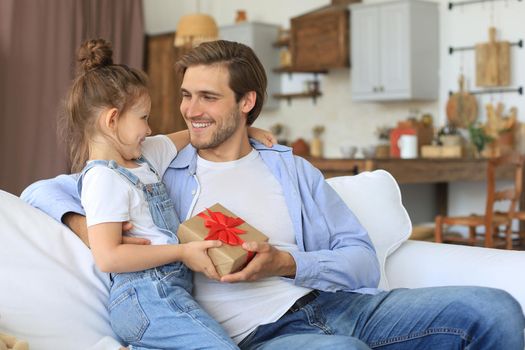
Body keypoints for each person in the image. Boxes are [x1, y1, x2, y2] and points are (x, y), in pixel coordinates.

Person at [23, 40, 524, 349]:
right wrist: (94, 231)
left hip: (334, 305)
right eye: (184, 96)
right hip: (260, 335)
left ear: (247, 103)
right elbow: (45, 190)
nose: (190, 111)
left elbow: (361, 262)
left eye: (208, 98)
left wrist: (285, 263)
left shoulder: (292, 169)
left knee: (495, 310)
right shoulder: (156, 162)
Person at [54, 38, 274, 350]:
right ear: (112, 119)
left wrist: (243, 127)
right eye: (143, 117)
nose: (149, 127)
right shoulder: (103, 179)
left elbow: (191, 134)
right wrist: (183, 252)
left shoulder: (143, 155)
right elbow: (108, 256)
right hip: (144, 297)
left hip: (170, 292)